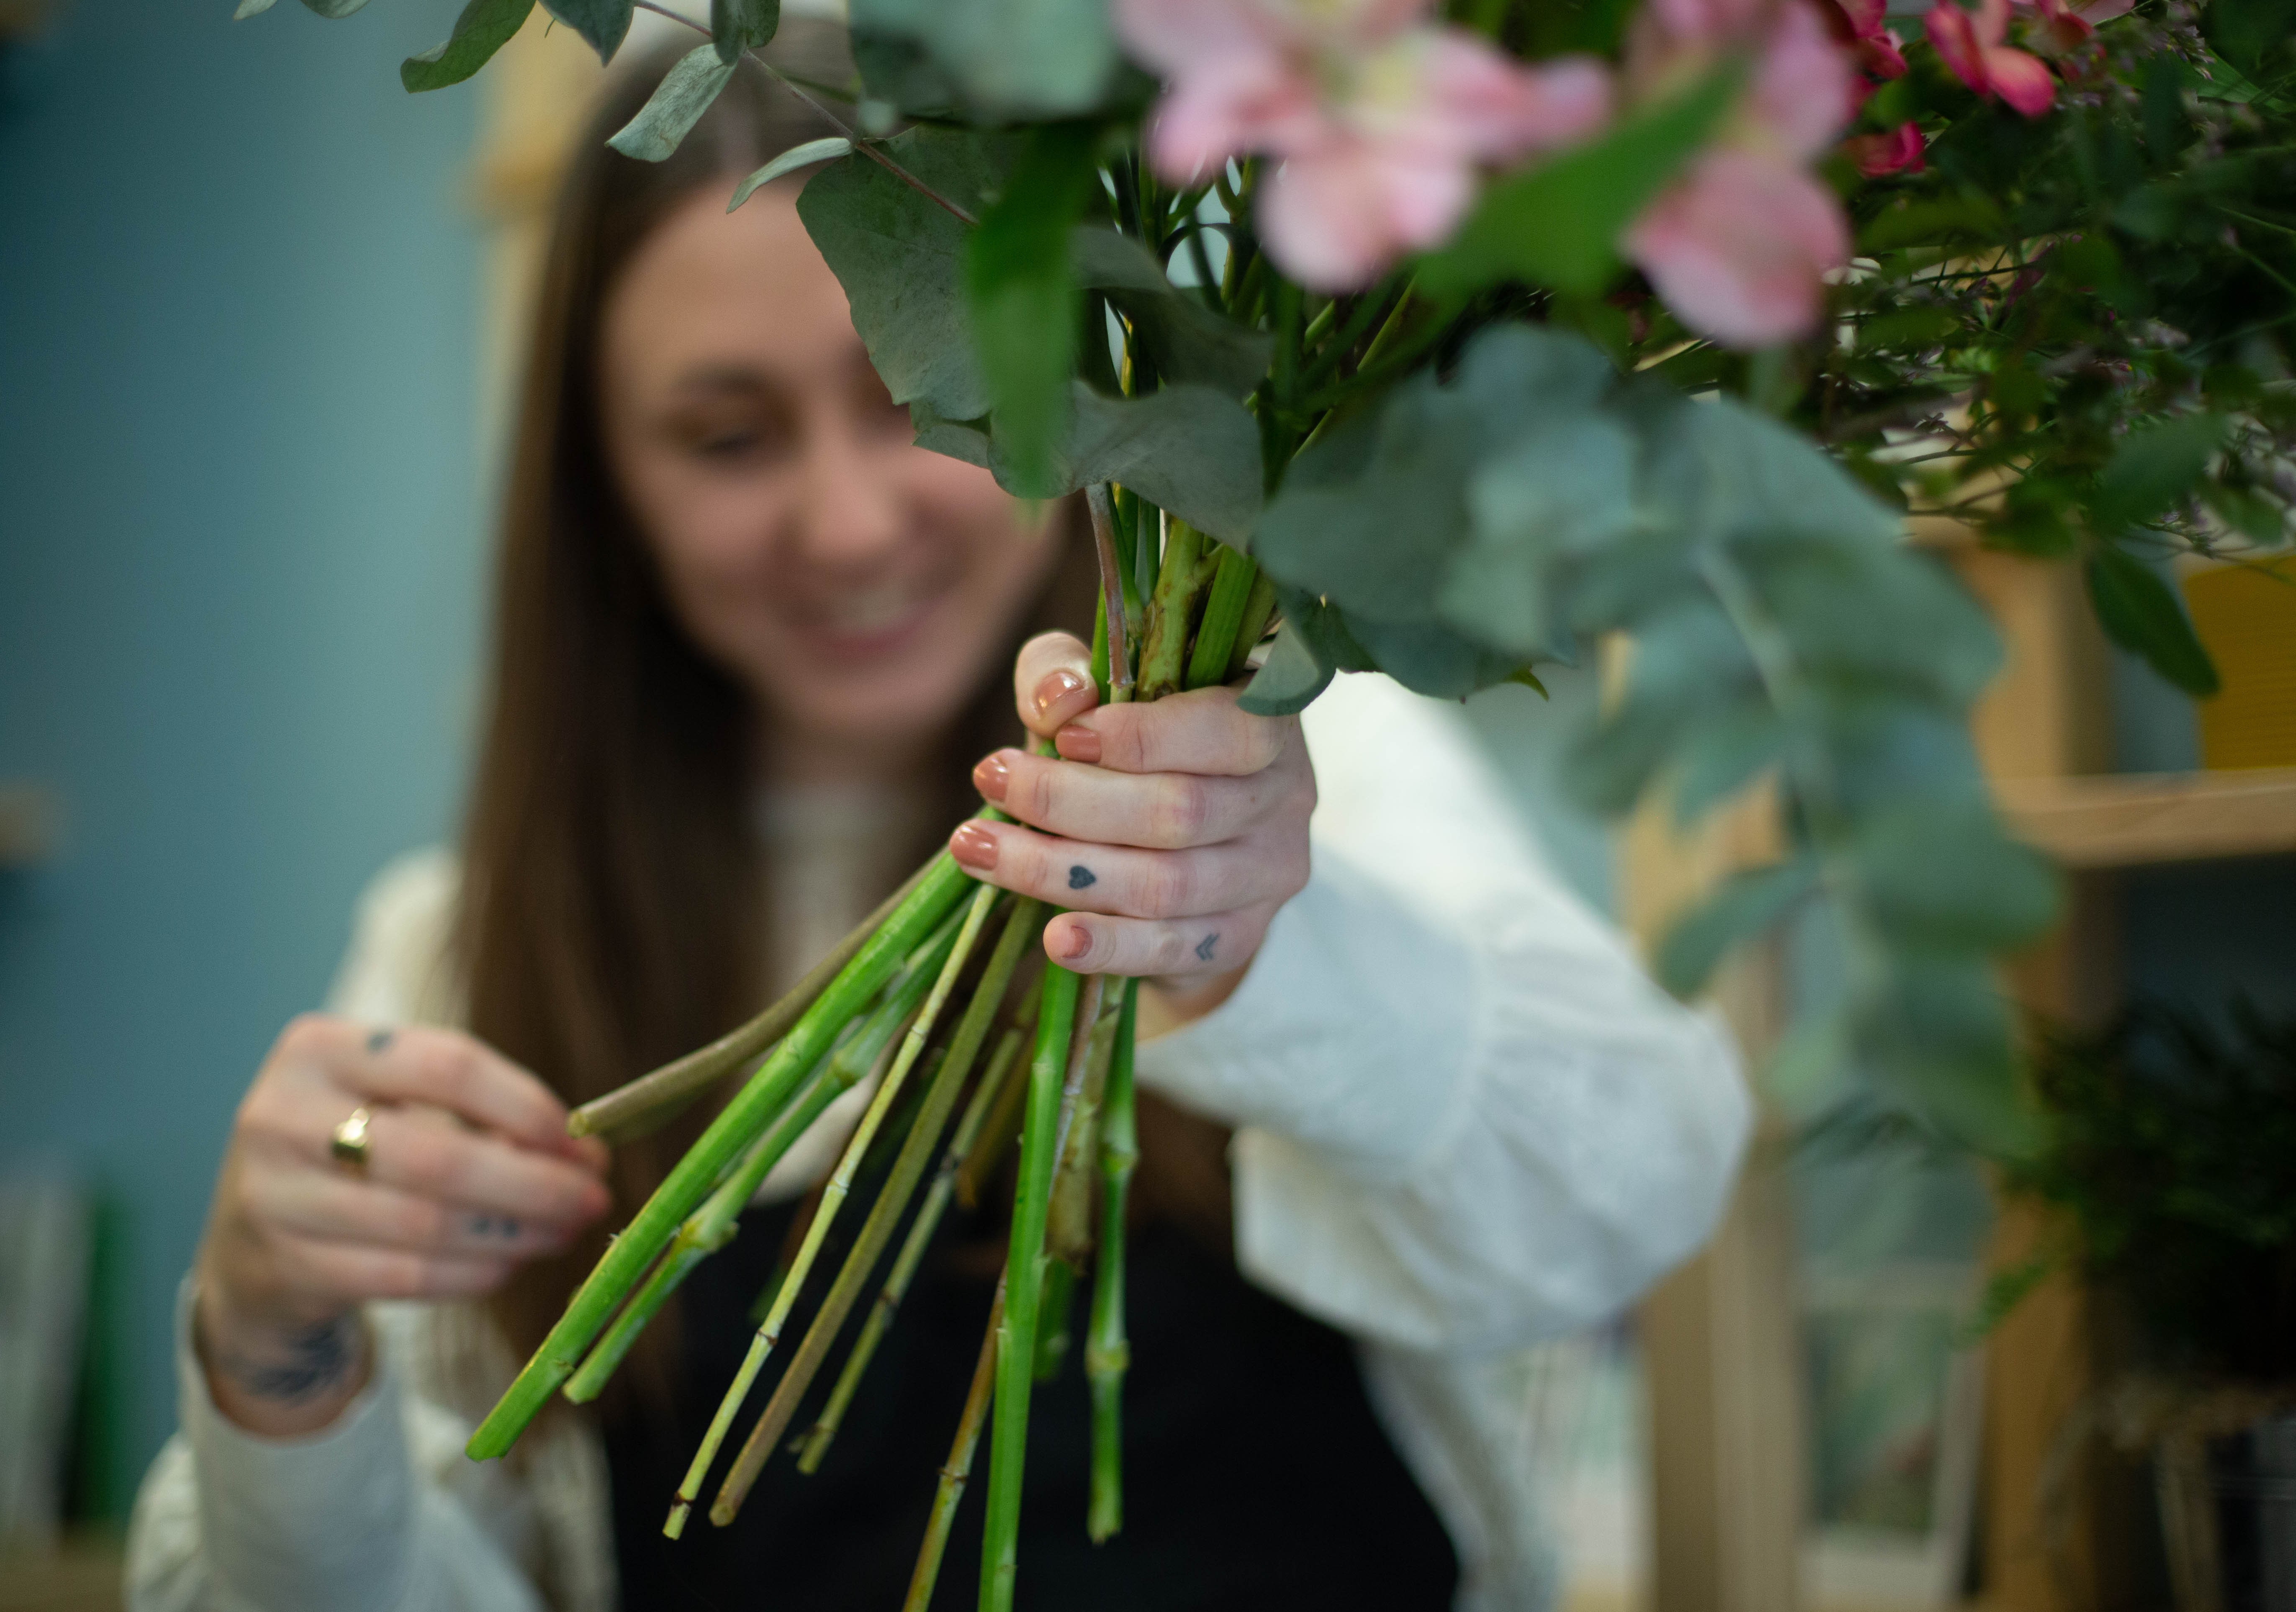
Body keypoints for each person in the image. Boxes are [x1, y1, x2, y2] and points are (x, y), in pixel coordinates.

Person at [125, 23, 1749, 1612]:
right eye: (728, 435)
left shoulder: (1285, 770)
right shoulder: (462, 951)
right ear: (604, 484)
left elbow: (1641, 1183)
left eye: (918, 398)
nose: (847, 523)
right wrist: (277, 1360)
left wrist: (1250, 940)